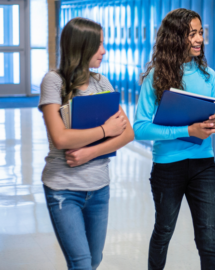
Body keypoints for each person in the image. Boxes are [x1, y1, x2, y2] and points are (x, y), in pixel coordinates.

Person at [39, 17, 134, 270]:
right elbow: (60, 137)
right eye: (98, 44)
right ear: (81, 46)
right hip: (64, 189)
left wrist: (89, 153)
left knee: (94, 261)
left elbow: (127, 133)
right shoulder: (54, 81)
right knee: (81, 263)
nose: (104, 51)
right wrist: (105, 130)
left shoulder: (102, 83)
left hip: (99, 188)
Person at [133, 8, 215, 270]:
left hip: (203, 163)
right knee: (163, 233)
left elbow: (210, 116)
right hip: (168, 166)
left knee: (208, 241)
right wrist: (187, 131)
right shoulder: (156, 76)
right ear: (175, 37)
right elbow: (140, 128)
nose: (199, 39)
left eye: (201, 33)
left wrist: (214, 122)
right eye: (191, 34)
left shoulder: (209, 75)